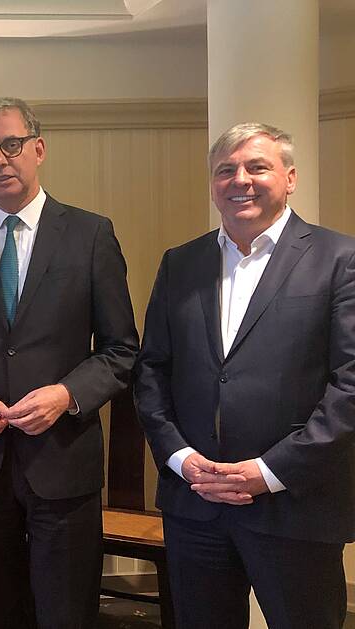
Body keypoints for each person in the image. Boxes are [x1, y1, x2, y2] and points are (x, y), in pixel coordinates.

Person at [0, 97, 138, 629]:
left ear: (38, 149)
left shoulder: (90, 234)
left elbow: (121, 349)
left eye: (11, 145)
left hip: (63, 459)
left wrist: (66, 395)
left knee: (66, 613)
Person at [134, 122, 355, 629]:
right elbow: (151, 372)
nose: (240, 180)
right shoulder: (180, 263)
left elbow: (350, 385)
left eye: (257, 167)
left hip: (295, 504)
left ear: (290, 178)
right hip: (195, 502)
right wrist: (181, 459)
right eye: (225, 170)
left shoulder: (340, 259)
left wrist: (269, 472)